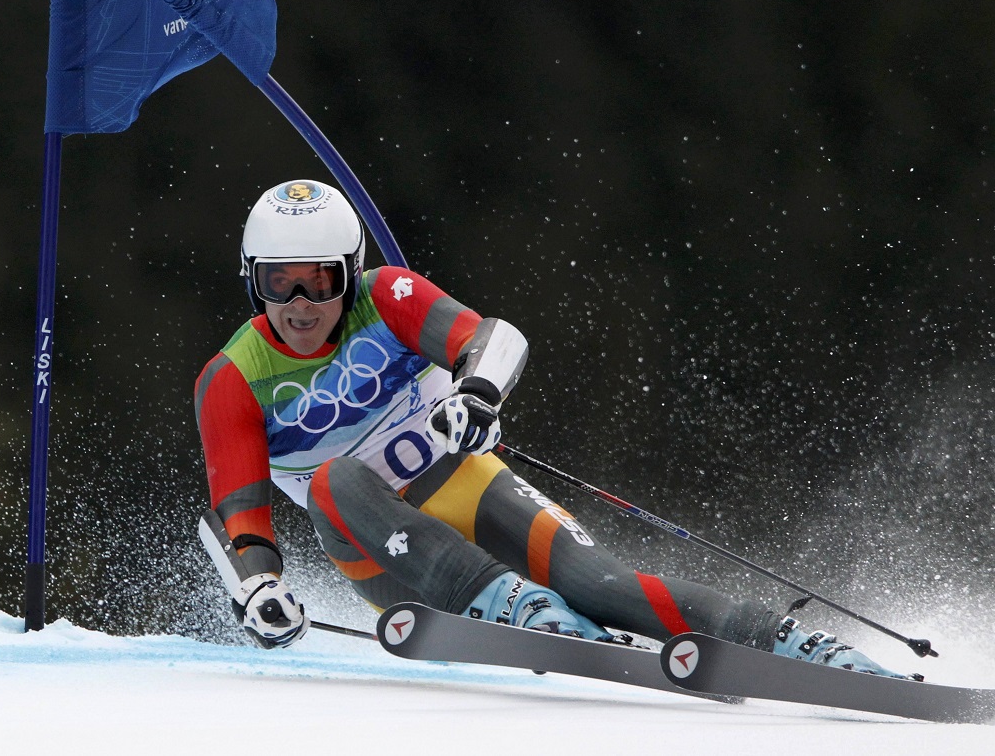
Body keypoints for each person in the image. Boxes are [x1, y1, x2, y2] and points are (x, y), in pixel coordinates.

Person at [194, 178, 910, 678]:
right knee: (332, 478)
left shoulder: (386, 296)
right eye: (275, 281)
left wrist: (477, 395)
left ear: (349, 273)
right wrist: (261, 591)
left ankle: (787, 642)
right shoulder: (230, 379)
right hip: (388, 555)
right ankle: (512, 606)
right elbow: (244, 519)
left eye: (317, 281)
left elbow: (494, 338)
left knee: (599, 584)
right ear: (251, 281)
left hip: (465, 484)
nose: (297, 303)